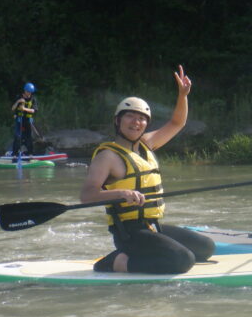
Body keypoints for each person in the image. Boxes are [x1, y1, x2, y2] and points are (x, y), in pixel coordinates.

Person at [80, 65, 214, 273]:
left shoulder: (147, 144)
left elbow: (177, 123)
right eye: (130, 116)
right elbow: (87, 195)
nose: (136, 122)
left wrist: (183, 95)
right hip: (129, 233)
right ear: (118, 121)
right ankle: (115, 262)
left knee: (206, 247)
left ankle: (145, 253)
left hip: (153, 226)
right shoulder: (107, 156)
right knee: (183, 260)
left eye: (141, 118)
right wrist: (122, 193)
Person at [11, 82, 38, 158]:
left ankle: (30, 153)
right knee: (17, 136)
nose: (30, 93)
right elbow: (13, 108)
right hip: (19, 119)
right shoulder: (19, 97)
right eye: (28, 92)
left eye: (31, 92)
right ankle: (15, 154)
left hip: (28, 120)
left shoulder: (33, 99)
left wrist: (24, 109)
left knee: (29, 137)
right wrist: (18, 101)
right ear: (25, 91)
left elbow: (34, 110)